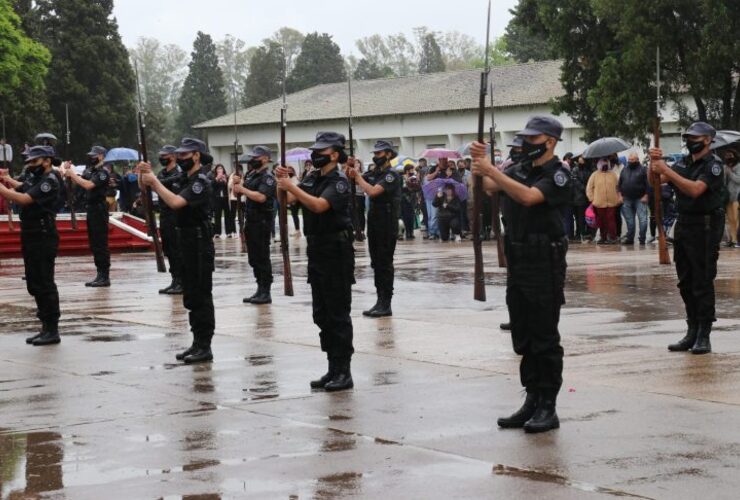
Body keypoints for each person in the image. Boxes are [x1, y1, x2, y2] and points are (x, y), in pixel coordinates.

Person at [470, 116, 570, 434]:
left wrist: (491, 171)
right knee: (523, 335)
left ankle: (548, 406)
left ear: (550, 141)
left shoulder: (558, 174)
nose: (526, 143)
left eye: (533, 138)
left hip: (544, 261)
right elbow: (488, 187)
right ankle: (532, 398)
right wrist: (478, 165)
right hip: (518, 259)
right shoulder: (519, 169)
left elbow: (528, 197)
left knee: (544, 336)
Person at [275, 132, 355, 392]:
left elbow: (320, 206)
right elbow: (289, 201)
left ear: (334, 154)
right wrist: (282, 183)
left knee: (337, 312)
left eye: (321, 151)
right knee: (321, 313)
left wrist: (292, 187)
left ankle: (344, 371)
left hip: (336, 250)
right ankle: (332, 367)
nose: (315, 155)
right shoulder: (312, 177)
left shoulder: (339, 180)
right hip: (317, 250)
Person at [650, 122, 726, 355]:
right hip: (684, 225)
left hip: (705, 227)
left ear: (708, 140)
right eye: (688, 136)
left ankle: (704, 333)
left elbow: (695, 190)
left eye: (695, 137)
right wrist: (653, 164)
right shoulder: (683, 162)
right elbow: (655, 182)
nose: (690, 140)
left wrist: (667, 170)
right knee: (685, 281)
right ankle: (691, 330)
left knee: (702, 281)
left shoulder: (713, 165)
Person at [139, 138, 215, 364]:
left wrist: (154, 182)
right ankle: (196, 342)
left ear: (197, 156)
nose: (180, 159)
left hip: (199, 242)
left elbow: (175, 202)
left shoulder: (201, 181)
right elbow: (154, 187)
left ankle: (205, 346)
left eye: (185, 155)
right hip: (186, 241)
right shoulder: (183, 177)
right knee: (190, 295)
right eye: (178, 155)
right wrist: (146, 177)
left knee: (201, 295)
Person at [0, 146, 61, 346]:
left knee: (44, 281)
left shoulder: (50, 181)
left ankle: (52, 329)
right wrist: (7, 180)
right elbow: (22, 187)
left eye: (33, 162)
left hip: (43, 235)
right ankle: (44, 326)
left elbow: (24, 199)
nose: (29, 165)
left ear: (47, 161)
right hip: (31, 233)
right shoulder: (37, 178)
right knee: (34, 281)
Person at [347, 140, 401, 318]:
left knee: (385, 263)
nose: (375, 156)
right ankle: (379, 300)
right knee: (376, 263)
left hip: (387, 223)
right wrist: (351, 169)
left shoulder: (391, 175)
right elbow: (354, 179)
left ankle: (386, 303)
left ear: (388, 154)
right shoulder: (374, 173)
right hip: (375, 222)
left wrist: (358, 177)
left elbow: (372, 191)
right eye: (374, 153)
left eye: (378, 154)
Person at [233, 146, 276, 305]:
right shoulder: (252, 175)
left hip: (262, 221)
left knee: (262, 256)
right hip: (250, 220)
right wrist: (238, 184)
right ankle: (259, 288)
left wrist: (242, 188)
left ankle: (266, 291)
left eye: (256, 157)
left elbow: (261, 197)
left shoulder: (268, 177)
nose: (252, 160)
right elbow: (240, 192)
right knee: (254, 258)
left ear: (265, 158)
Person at [63, 145, 111, 286]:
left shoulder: (103, 173)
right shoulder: (89, 170)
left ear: (101, 156)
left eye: (94, 155)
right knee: (94, 243)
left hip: (99, 209)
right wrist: (68, 171)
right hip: (90, 209)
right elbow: (78, 182)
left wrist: (73, 175)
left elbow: (89, 185)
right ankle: (99, 274)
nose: (91, 157)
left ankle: (104, 275)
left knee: (101, 243)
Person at [156, 145, 186, 294]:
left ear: (173, 156)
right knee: (168, 249)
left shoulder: (179, 173)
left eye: (164, 155)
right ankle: (174, 279)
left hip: (176, 216)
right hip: (164, 215)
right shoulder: (162, 173)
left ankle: (181, 281)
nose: (162, 158)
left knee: (177, 249)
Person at [586, 156, 621, 244]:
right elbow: (589, 188)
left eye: (606, 163)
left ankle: (613, 237)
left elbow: (618, 187)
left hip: (612, 202)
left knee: (611, 220)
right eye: (603, 164)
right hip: (598, 202)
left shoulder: (613, 174)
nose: (605, 165)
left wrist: (618, 197)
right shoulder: (594, 175)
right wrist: (592, 199)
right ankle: (603, 237)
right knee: (601, 220)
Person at [618, 152, 649, 245]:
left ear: (637, 160)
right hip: (626, 198)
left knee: (643, 220)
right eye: (629, 160)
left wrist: (646, 195)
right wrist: (620, 196)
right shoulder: (624, 169)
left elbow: (649, 184)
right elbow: (619, 184)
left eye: (632, 160)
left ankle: (642, 239)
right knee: (630, 221)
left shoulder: (643, 170)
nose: (630, 161)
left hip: (640, 198)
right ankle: (630, 238)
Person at [723, 149, 740, 247]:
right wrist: (725, 174)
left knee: (736, 218)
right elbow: (723, 182)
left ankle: (738, 240)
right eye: (726, 155)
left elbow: (738, 180)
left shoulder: (738, 166)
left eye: (730, 155)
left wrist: (730, 172)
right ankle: (733, 240)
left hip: (737, 196)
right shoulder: (725, 167)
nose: (728, 157)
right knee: (730, 219)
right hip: (728, 197)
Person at [211, 164, 232, 239]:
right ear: (216, 170)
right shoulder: (214, 177)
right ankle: (217, 232)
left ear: (223, 170)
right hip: (217, 199)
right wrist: (217, 178)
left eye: (221, 168)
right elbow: (211, 186)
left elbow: (229, 187)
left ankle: (229, 232)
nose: (220, 170)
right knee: (217, 216)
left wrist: (225, 181)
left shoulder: (226, 177)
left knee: (227, 216)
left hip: (225, 198)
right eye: (218, 168)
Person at [400, 164, 420, 240]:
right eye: (411, 169)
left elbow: (418, 187)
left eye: (413, 169)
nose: (413, 171)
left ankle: (411, 232)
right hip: (404, 199)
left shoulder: (414, 177)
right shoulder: (401, 177)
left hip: (412, 199)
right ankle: (406, 232)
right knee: (405, 216)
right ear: (407, 170)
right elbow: (400, 188)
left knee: (411, 216)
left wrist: (416, 181)